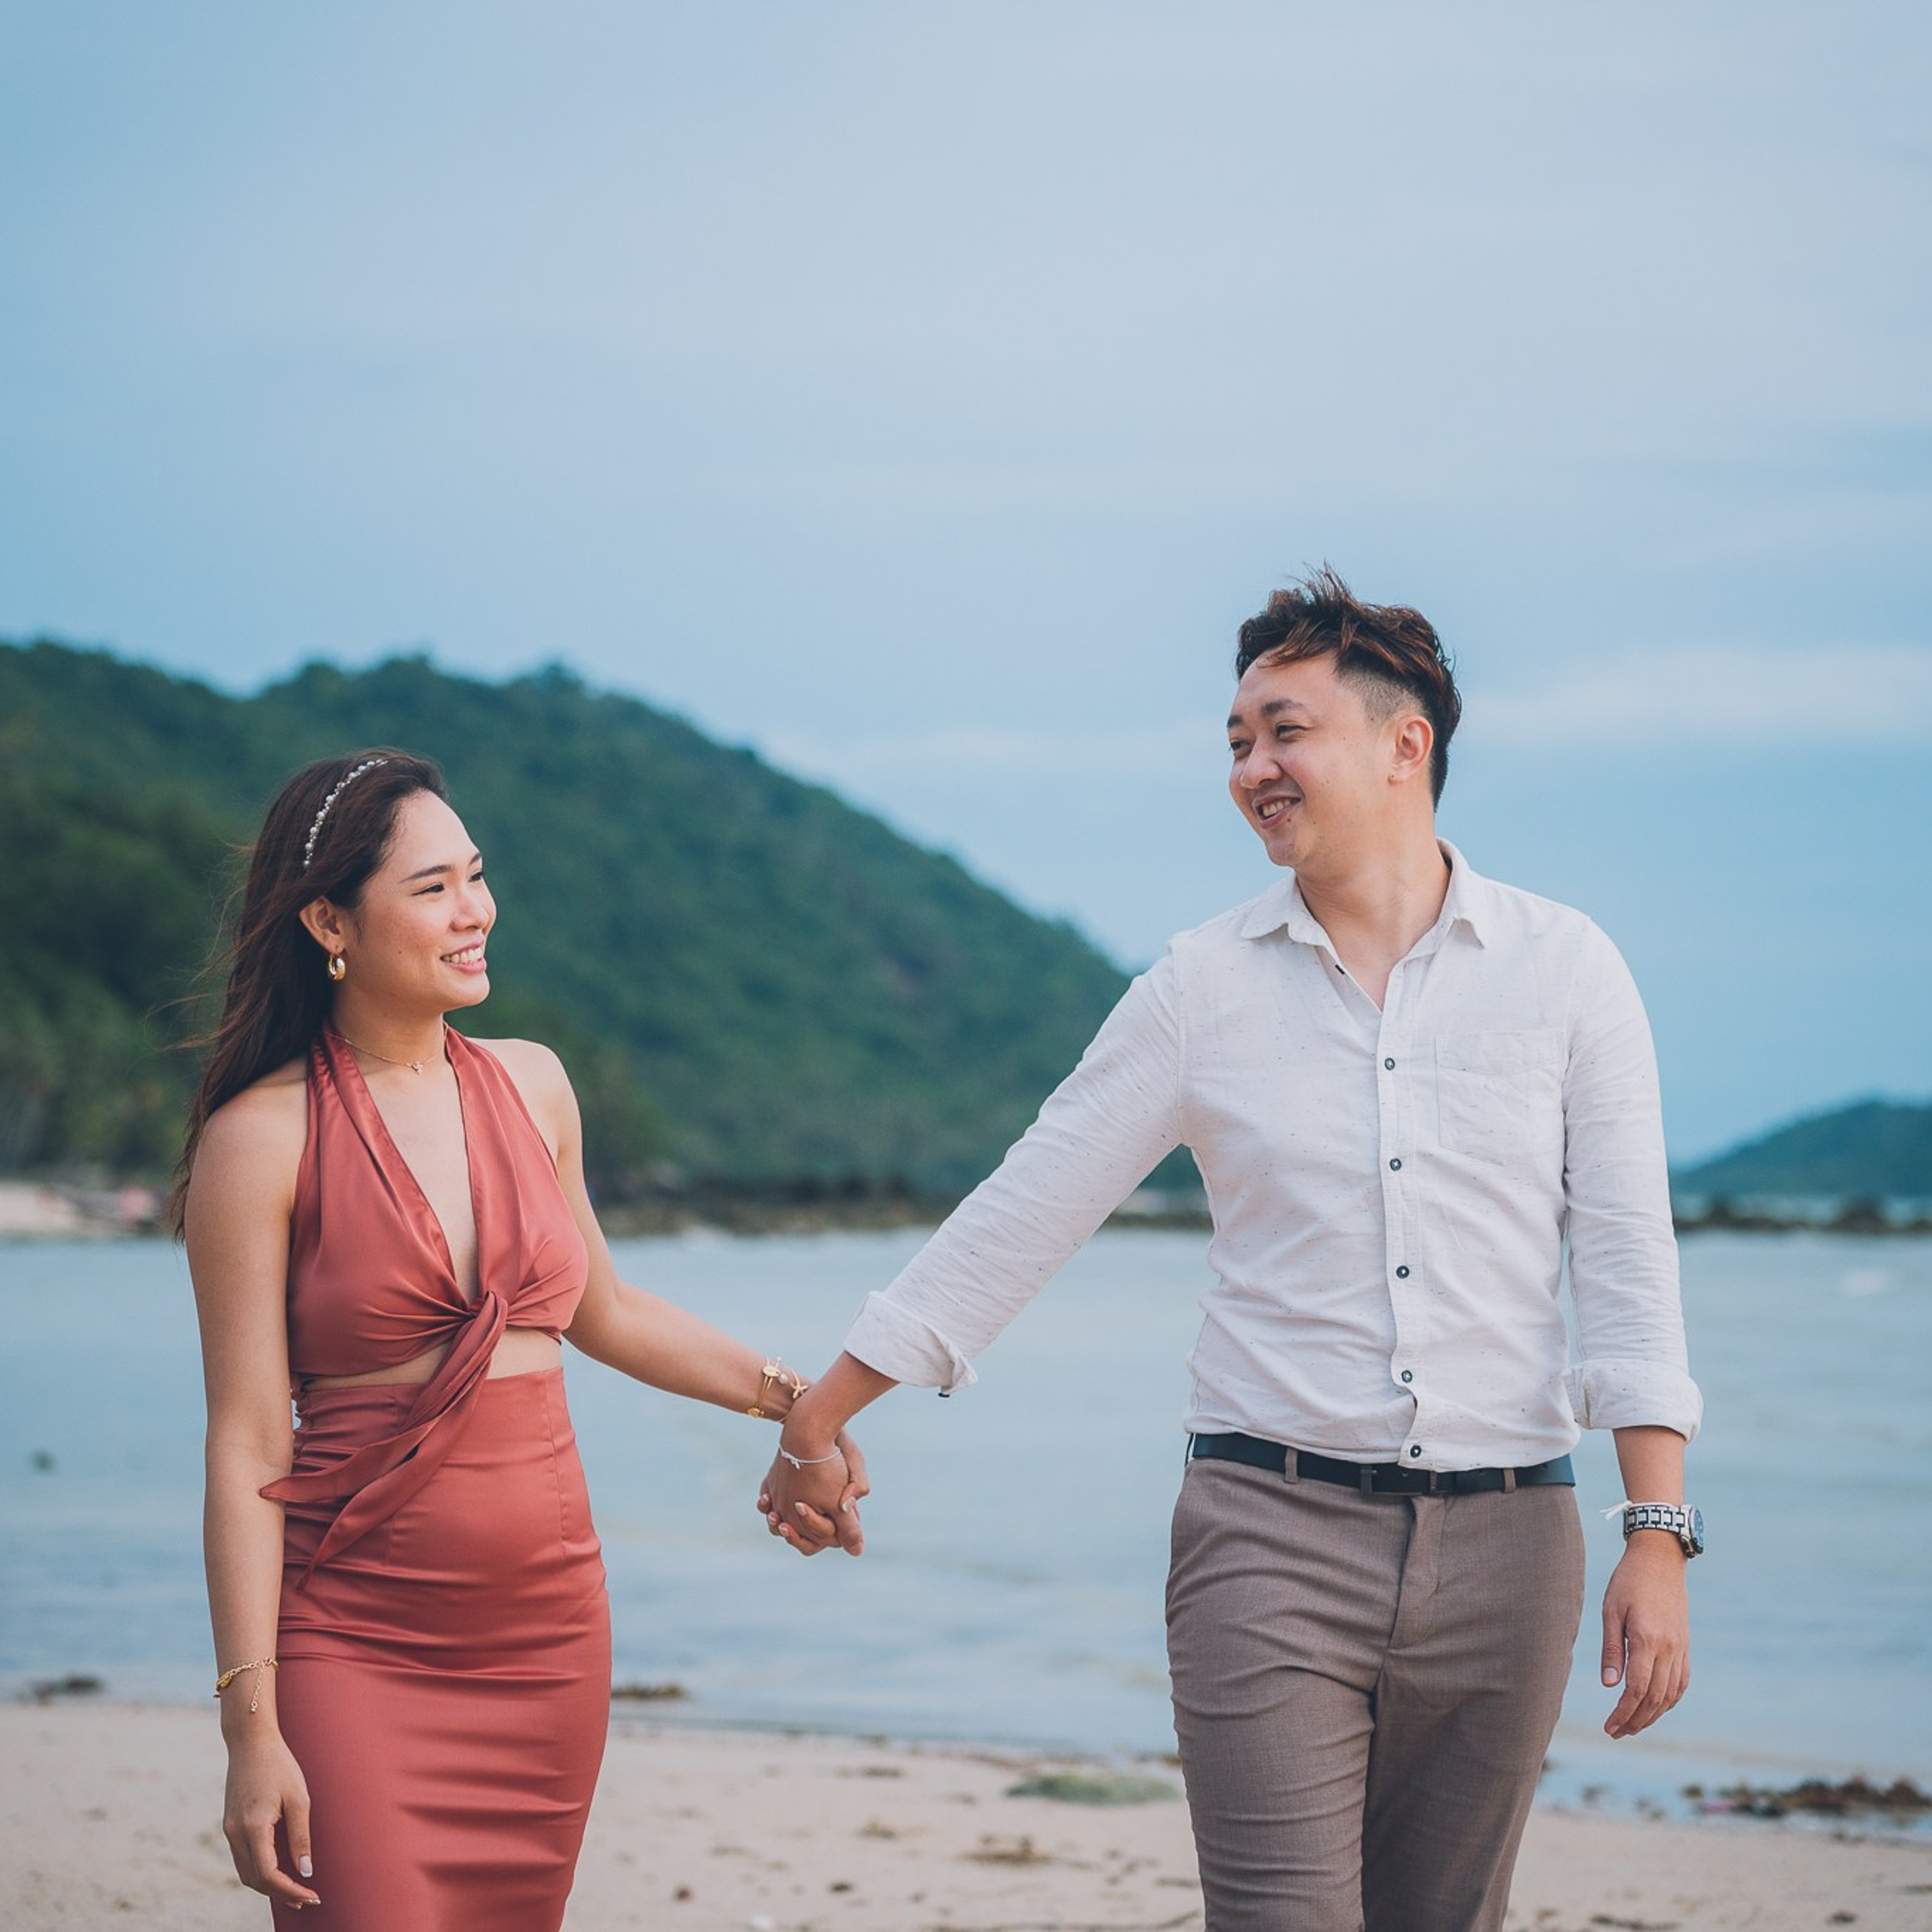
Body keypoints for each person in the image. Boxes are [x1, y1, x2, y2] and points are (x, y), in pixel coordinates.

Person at [761, 571, 1703, 1932]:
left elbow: (1626, 1263)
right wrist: (819, 1416)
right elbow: (1022, 1216)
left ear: (1404, 743)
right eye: (1236, 742)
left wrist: (1656, 1534)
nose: (1253, 767)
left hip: (1514, 1547)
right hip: (1268, 1536)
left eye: (1284, 731)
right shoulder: (1198, 989)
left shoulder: (1568, 972)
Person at [176, 749, 865, 1930]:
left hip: (547, 1642)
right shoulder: (260, 1141)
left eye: (478, 876)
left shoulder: (534, 1086)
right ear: (330, 920)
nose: (476, 910)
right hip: (356, 1641)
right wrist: (252, 1730)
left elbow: (606, 1312)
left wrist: (807, 1410)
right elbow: (245, 1445)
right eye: (435, 887)